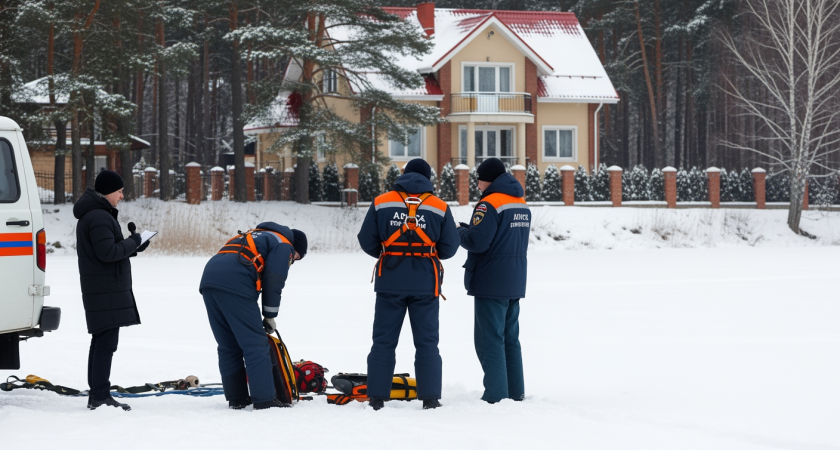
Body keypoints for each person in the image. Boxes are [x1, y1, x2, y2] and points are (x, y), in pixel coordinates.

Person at [357, 159, 459, 410]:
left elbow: (366, 239)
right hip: (426, 284)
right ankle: (430, 398)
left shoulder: (382, 202)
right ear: (427, 178)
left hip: (389, 281)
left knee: (383, 341)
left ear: (403, 176)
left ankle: (377, 397)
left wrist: (389, 252)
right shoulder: (439, 206)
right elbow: (450, 247)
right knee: (427, 342)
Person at [199, 223, 307, 410]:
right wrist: (269, 316)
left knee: (228, 345)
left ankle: (237, 398)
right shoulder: (284, 244)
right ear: (295, 247)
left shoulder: (258, 236)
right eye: (296, 257)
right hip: (235, 282)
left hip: (209, 279)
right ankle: (265, 400)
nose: (293, 260)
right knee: (255, 344)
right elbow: (274, 280)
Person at [74, 170, 151, 411]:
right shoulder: (98, 216)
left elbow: (109, 249)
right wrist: (133, 242)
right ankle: (100, 397)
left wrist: (135, 246)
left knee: (101, 340)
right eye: (119, 191)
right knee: (105, 343)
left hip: (102, 287)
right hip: (104, 288)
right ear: (108, 191)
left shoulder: (98, 214)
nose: (122, 195)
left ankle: (97, 394)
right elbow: (107, 254)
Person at [456, 158, 530, 403]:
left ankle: (496, 395)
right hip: (515, 279)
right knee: (510, 339)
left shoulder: (489, 204)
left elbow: (478, 242)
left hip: (491, 279)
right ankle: (515, 391)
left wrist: (459, 232)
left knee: (490, 341)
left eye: (479, 179)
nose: (477, 185)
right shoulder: (520, 202)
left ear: (486, 178)